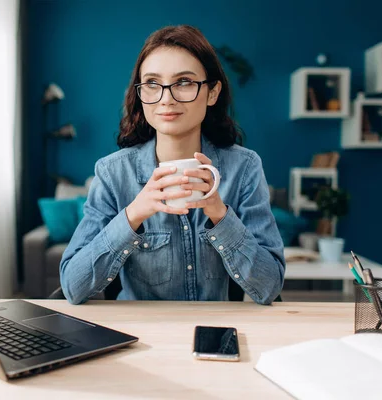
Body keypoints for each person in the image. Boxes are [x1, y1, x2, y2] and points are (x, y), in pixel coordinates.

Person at [59, 25, 284, 305]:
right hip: (139, 335)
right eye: (152, 84)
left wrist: (219, 213)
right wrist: (133, 214)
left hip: (213, 332)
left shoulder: (244, 168)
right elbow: (72, 286)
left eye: (184, 82)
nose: (166, 98)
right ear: (141, 94)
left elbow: (269, 286)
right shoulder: (113, 173)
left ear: (212, 92)